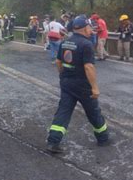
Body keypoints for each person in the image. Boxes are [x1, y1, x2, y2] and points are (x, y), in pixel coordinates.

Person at [46, 15, 110, 153]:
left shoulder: (65, 42)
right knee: (93, 112)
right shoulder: (86, 44)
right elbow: (89, 67)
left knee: (63, 111)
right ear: (84, 28)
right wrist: (94, 87)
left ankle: (53, 141)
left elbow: (58, 62)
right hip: (82, 85)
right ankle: (103, 138)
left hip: (67, 83)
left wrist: (63, 75)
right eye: (89, 27)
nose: (90, 29)